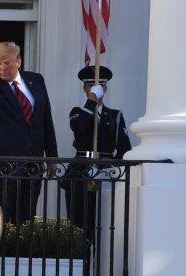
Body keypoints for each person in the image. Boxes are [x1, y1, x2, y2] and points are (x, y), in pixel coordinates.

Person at [0, 41, 58, 224]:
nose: (2, 67)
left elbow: (46, 119)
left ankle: (20, 252)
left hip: (33, 161)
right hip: (0, 165)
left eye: (7, 63)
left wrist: (52, 156)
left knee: (25, 216)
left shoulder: (36, 80)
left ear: (19, 61)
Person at [62, 65, 132, 274]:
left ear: (106, 88)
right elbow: (80, 127)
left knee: (106, 232)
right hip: (80, 175)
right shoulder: (78, 112)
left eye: (100, 85)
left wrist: (107, 170)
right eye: (91, 85)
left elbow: (124, 150)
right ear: (84, 88)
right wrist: (91, 101)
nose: (96, 88)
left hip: (105, 177)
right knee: (80, 231)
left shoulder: (115, 115)